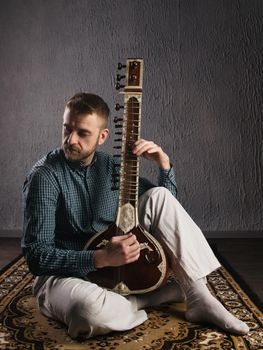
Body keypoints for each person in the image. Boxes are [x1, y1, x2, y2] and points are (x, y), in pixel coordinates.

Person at [22, 92, 249, 339]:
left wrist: (164, 165)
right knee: (87, 312)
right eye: (67, 129)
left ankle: (199, 298)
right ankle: (147, 299)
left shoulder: (112, 167)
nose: (70, 139)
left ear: (103, 136)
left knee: (159, 196)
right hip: (66, 275)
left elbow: (167, 209)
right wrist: (99, 258)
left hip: (116, 267)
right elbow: (37, 257)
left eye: (82, 133)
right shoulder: (45, 176)